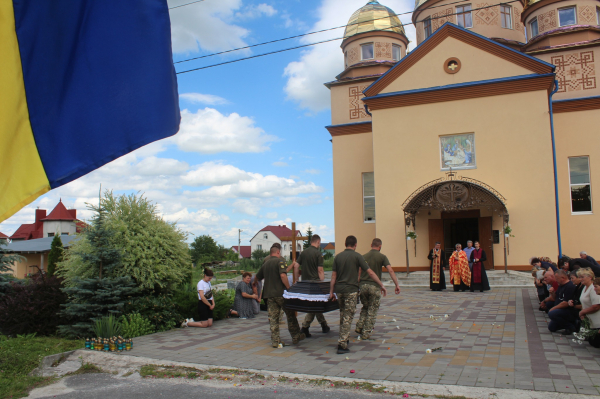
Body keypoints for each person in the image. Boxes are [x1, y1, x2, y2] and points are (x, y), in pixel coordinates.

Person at [329, 235, 387, 354]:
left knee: (343, 314)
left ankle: (344, 337)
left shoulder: (338, 257)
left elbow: (333, 276)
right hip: (351, 290)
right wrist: (381, 285)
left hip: (339, 290)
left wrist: (331, 292)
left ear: (345, 244)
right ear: (355, 245)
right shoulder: (357, 256)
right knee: (348, 316)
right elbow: (370, 272)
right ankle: (342, 344)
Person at [254, 246, 305, 348]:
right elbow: (283, 275)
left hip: (269, 295)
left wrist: (254, 284)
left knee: (273, 319)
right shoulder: (280, 261)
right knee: (290, 315)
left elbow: (257, 277)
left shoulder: (266, 264)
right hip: (281, 294)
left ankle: (275, 341)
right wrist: (288, 287)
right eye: (280, 252)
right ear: (277, 252)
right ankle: (295, 336)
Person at [356, 238, 401, 340]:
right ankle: (366, 332)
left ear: (371, 245)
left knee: (365, 307)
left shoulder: (363, 257)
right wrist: (396, 284)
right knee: (372, 309)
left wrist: (358, 285)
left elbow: (359, 272)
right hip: (374, 286)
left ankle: (359, 326)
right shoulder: (382, 257)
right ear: (380, 246)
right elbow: (390, 270)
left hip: (363, 285)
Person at [291, 234, 330, 338]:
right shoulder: (318, 254)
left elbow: (296, 266)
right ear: (318, 242)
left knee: (316, 304)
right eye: (319, 243)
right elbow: (320, 270)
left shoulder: (303, 253)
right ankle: (305, 327)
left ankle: (324, 325)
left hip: (305, 284)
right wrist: (323, 283)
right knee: (315, 305)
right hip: (315, 284)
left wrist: (296, 280)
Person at [547, 269, 578, 334]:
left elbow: (565, 303)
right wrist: (552, 293)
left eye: (557, 278)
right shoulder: (560, 286)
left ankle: (570, 327)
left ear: (563, 278)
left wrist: (553, 309)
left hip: (568, 310)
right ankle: (568, 323)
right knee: (551, 328)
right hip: (561, 310)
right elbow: (555, 298)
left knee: (552, 313)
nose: (556, 280)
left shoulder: (569, 286)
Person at [578, 269, 600, 348]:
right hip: (589, 320)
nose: (580, 279)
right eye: (579, 277)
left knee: (595, 343)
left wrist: (582, 312)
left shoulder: (594, 288)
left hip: (596, 321)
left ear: (590, 277)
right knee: (592, 342)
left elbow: (596, 306)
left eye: (582, 277)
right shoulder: (585, 287)